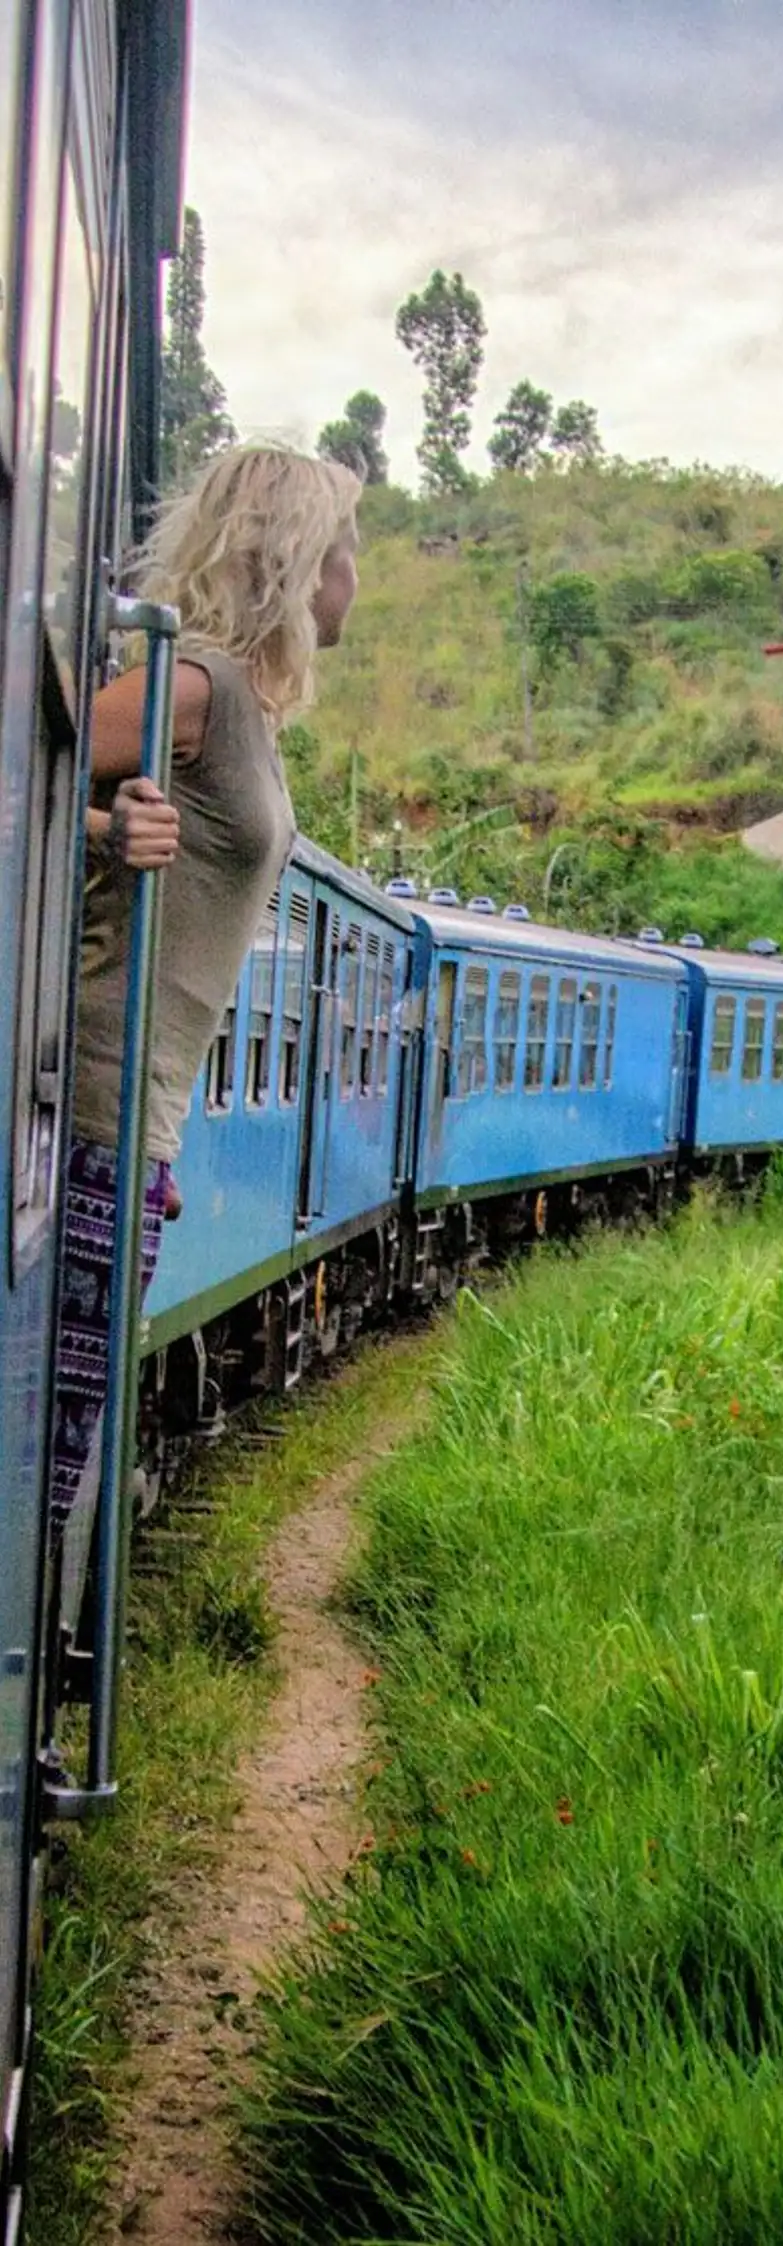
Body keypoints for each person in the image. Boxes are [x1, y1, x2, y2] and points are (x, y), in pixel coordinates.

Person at [50, 445, 361, 1527]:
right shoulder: (202, 687)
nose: (355, 576)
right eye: (345, 549)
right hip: (96, 1101)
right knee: (47, 1457)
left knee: (62, 1442)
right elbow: (20, 753)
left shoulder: (247, 714)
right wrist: (102, 826)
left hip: (138, 1121)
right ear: (295, 558)